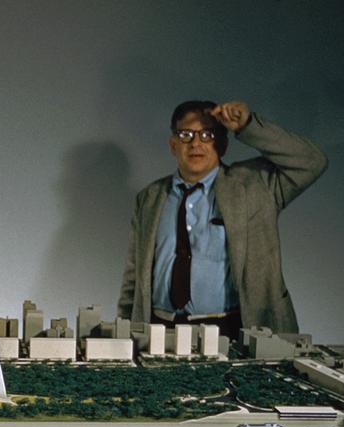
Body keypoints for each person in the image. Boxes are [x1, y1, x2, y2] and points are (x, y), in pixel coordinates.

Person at [117, 100, 328, 339]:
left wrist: (248, 126)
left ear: (223, 144)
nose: (195, 143)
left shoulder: (256, 185)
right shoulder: (150, 198)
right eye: (186, 135)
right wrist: (125, 336)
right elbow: (133, 278)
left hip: (235, 330)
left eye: (207, 134)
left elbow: (312, 161)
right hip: (159, 330)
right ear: (173, 145)